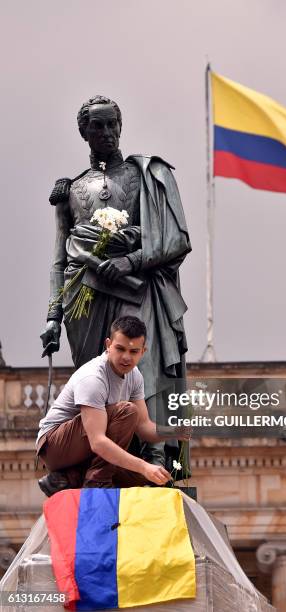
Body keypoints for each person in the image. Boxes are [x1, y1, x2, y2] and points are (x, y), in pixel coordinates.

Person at [40, 95, 191, 469]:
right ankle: (98, 464)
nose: (107, 132)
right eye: (98, 126)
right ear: (84, 132)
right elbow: (60, 259)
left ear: (121, 127)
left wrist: (130, 260)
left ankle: (154, 455)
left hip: (138, 288)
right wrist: (53, 317)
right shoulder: (70, 191)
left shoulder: (146, 174)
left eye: (112, 124)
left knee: (144, 364)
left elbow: (173, 239)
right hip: (86, 301)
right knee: (99, 380)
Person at [37, 316, 189, 497]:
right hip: (54, 446)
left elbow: (143, 427)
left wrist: (175, 431)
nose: (126, 357)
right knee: (127, 412)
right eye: (120, 349)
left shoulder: (135, 376)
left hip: (85, 450)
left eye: (133, 351)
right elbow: (98, 441)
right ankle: (97, 482)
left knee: (141, 478)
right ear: (108, 344)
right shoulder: (93, 377)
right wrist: (144, 466)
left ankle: (68, 478)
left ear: (143, 351)